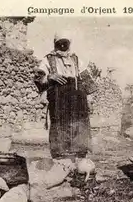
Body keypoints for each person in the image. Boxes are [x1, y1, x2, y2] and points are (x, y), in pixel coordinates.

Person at [34, 31, 97, 164]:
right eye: (59, 43)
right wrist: (50, 77)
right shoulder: (48, 59)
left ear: (69, 43)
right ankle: (61, 160)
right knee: (59, 126)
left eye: (65, 43)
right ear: (55, 44)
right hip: (58, 99)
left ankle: (80, 158)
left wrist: (90, 100)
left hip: (78, 98)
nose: (62, 46)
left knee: (79, 125)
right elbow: (38, 77)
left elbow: (87, 80)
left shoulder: (76, 59)